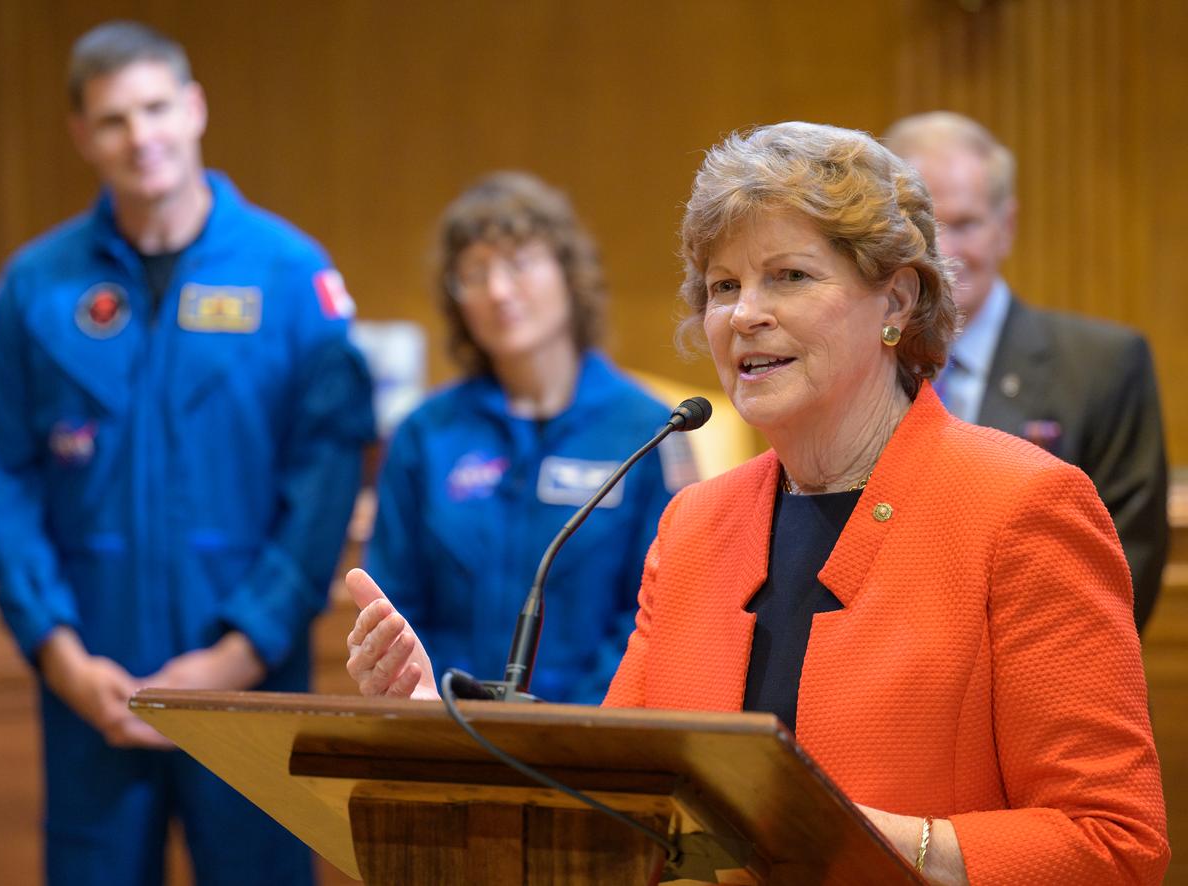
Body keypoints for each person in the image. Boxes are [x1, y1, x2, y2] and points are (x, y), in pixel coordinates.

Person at [344, 123, 1169, 884]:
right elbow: (618, 794)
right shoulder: (697, 524)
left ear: (897, 302)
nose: (744, 314)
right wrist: (444, 733)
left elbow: (1113, 844)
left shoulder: (1024, 507)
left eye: (789, 276)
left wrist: (872, 840)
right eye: (722, 285)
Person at [0, 21, 374, 886]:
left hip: (248, 689)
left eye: (156, 107)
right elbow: (5, 478)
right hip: (94, 687)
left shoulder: (289, 274)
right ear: (82, 136)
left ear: (194, 109)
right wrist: (60, 655)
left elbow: (325, 479)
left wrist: (236, 655)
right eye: (113, 119)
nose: (140, 136)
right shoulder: (34, 289)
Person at [362, 171, 695, 704]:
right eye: (473, 274)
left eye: (518, 264)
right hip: (443, 731)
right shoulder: (426, 434)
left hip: (595, 738)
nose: (498, 291)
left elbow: (655, 615)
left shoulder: (648, 432)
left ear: (567, 272)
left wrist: (568, 729)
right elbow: (395, 602)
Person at [883, 111, 1169, 633]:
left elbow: (1128, 572)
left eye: (965, 224)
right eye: (924, 228)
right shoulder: (860, 370)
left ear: (1005, 228)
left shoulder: (1104, 366)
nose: (944, 252)